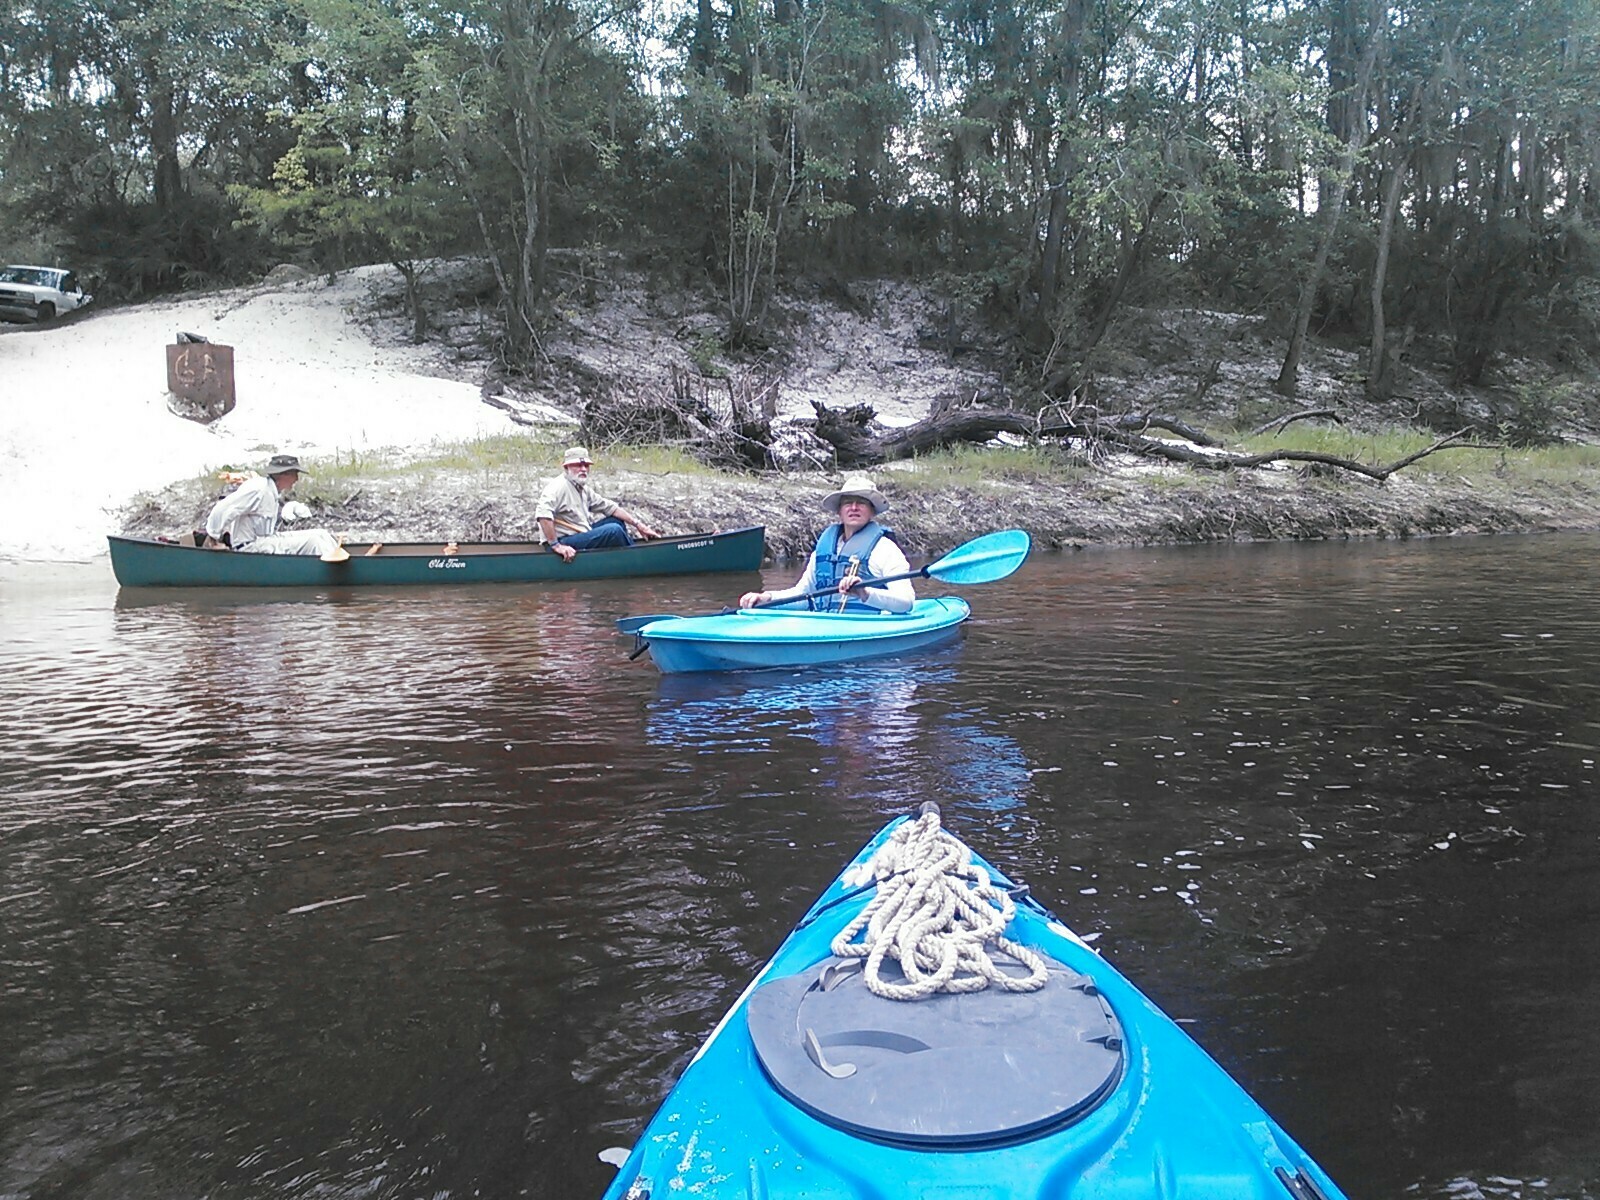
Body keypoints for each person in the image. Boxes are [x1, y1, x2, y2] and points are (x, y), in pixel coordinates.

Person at [738, 472, 914, 613]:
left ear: (872, 511)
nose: (853, 508)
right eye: (847, 503)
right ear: (839, 511)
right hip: (825, 626)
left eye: (861, 503)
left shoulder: (886, 550)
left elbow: (906, 602)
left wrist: (864, 592)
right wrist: (767, 598)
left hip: (867, 628)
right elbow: (803, 596)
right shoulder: (823, 551)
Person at [204, 453, 348, 561]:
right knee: (314, 541)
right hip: (250, 548)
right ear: (283, 475)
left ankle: (338, 558)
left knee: (320, 534)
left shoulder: (271, 491)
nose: (297, 479)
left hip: (265, 541)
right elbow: (224, 508)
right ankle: (333, 568)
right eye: (294, 474)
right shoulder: (258, 489)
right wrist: (214, 538)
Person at [536, 446, 661, 562]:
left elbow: (611, 508)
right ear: (566, 467)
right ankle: (637, 559)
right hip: (563, 541)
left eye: (586, 465)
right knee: (614, 531)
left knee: (616, 521)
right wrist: (556, 545)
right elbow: (543, 514)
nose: (583, 469)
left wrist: (639, 525)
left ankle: (622, 556)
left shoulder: (582, 488)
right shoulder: (558, 487)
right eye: (578, 465)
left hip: (580, 534)